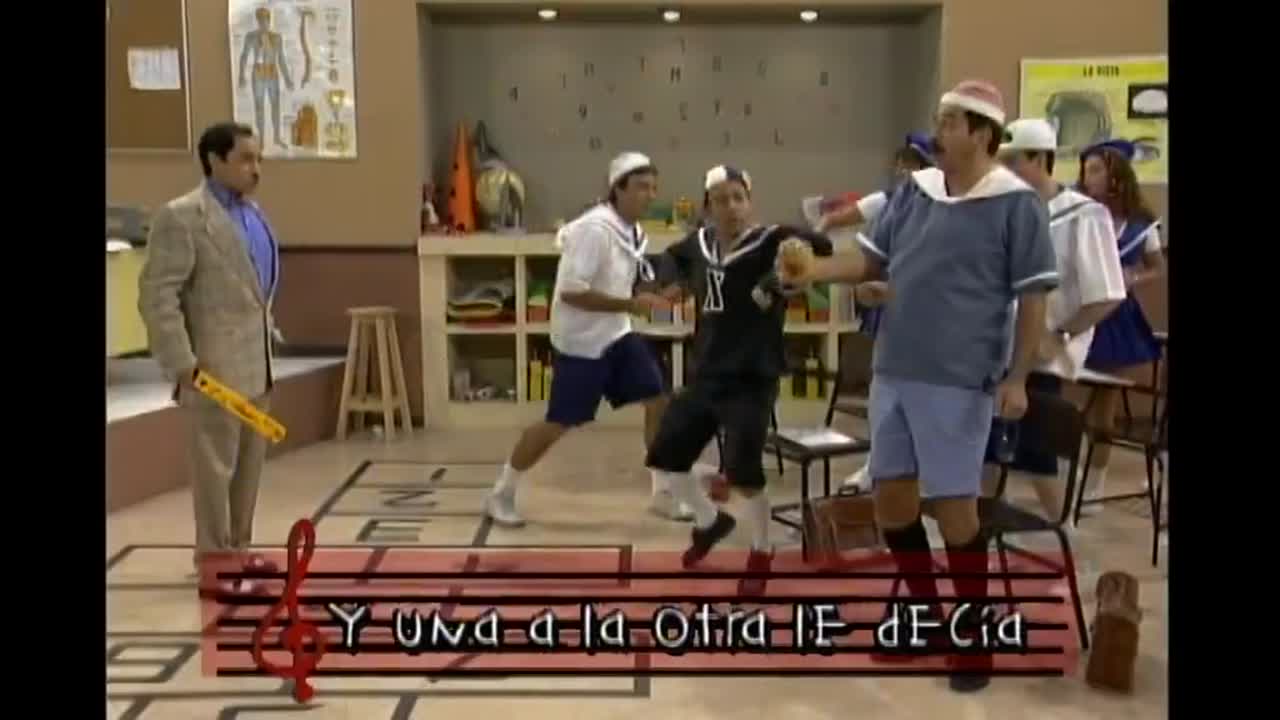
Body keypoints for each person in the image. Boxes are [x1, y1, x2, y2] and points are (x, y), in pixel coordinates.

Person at [781, 80, 1058, 693]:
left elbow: (1034, 298)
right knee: (892, 504)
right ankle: (929, 620)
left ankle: (973, 640)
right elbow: (870, 259)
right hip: (895, 370)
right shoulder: (915, 192)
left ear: (983, 134)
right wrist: (815, 270)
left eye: (951, 122)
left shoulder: (1016, 205)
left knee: (955, 507)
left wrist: (1018, 377)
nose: (939, 131)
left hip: (960, 379)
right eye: (939, 119)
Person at [645, 165, 833, 593]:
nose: (730, 207)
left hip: (753, 376)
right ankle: (710, 521)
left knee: (744, 471)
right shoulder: (698, 244)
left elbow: (819, 247)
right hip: (706, 372)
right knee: (666, 457)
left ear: (750, 202)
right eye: (721, 199)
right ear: (707, 206)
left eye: (738, 198)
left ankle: (762, 550)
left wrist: (798, 256)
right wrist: (671, 284)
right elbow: (669, 258)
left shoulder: (770, 240)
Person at [483, 152, 683, 527]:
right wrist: (631, 304)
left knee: (658, 400)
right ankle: (501, 493)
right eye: (642, 187)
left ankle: (663, 492)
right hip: (582, 343)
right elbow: (572, 292)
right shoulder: (594, 230)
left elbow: (621, 284)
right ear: (618, 189)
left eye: (654, 188)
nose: (650, 195)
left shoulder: (633, 232)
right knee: (559, 423)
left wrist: (654, 295)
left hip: (617, 333)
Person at [138, 122, 283, 596]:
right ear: (214, 161)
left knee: (247, 470)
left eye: (258, 159)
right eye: (245, 159)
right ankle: (216, 563)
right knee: (214, 473)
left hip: (257, 366)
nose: (255, 169)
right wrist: (181, 362)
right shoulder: (181, 217)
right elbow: (158, 296)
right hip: (211, 369)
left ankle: (238, 551)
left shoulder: (253, 214)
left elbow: (253, 291)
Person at [991, 118, 1127, 516]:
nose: (1004, 170)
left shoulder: (1083, 215)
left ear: (1040, 159)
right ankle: (978, 532)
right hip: (998, 346)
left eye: (1013, 161)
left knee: (1035, 452)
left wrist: (1061, 334)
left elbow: (1107, 294)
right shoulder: (1005, 210)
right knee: (988, 450)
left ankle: (1062, 529)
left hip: (1043, 353)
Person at [815, 133, 937, 494]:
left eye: (912, 165)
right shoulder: (891, 198)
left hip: (929, 313)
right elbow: (837, 220)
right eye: (901, 165)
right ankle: (879, 464)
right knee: (883, 387)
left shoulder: (948, 205)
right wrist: (817, 247)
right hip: (888, 302)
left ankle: (916, 469)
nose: (904, 172)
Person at [1077, 139, 1166, 501]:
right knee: (1073, 400)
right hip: (1081, 313)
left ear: (1117, 175)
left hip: (1117, 320)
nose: (1088, 177)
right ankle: (1077, 471)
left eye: (1096, 170)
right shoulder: (1079, 215)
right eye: (1086, 170)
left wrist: (1133, 277)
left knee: (1104, 403)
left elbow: (1157, 267)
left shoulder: (1140, 225)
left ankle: (1093, 484)